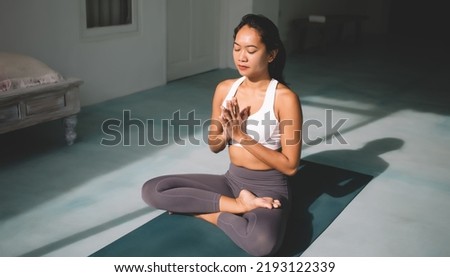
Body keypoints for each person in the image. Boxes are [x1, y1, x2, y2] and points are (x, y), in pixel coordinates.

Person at [142, 14, 302, 256]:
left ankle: (210, 213)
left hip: (270, 188)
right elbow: (214, 145)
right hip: (231, 181)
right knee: (153, 189)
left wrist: (241, 135)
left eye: (251, 50)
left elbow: (290, 166)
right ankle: (237, 205)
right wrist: (227, 132)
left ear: (271, 54)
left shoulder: (284, 98)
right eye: (237, 48)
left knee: (262, 244)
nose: (241, 56)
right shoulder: (225, 89)